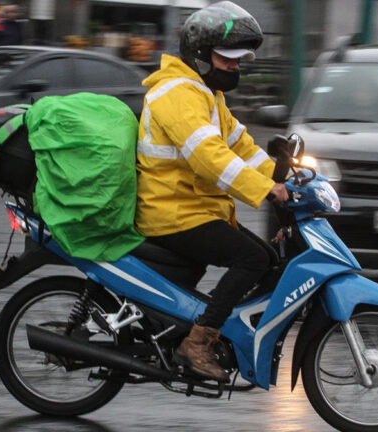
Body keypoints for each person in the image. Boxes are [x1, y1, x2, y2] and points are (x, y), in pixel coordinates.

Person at [134, 1, 288, 381]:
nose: (236, 65)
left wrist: (289, 180)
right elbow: (209, 157)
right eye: (228, 57)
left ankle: (222, 333)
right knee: (252, 259)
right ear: (201, 55)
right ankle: (199, 341)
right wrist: (266, 190)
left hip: (196, 209)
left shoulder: (208, 95)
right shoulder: (177, 94)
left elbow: (243, 148)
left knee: (270, 260)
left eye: (240, 58)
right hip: (172, 213)